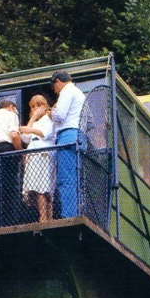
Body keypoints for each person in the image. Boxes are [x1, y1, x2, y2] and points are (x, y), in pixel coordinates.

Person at [50, 70, 86, 218]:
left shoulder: (66, 91)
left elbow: (60, 114)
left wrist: (50, 113)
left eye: (54, 88)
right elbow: (89, 121)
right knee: (77, 178)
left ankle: (69, 216)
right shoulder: (81, 94)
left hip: (68, 136)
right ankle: (78, 212)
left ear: (58, 82)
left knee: (66, 179)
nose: (56, 91)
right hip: (80, 136)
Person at [20, 94, 56, 222]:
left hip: (44, 156)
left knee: (44, 188)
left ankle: (46, 217)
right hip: (33, 157)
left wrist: (30, 129)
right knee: (36, 188)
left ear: (45, 106)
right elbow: (24, 138)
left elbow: (47, 134)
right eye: (33, 107)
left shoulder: (50, 118)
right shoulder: (34, 122)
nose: (36, 108)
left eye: (39, 105)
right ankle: (44, 216)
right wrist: (32, 120)